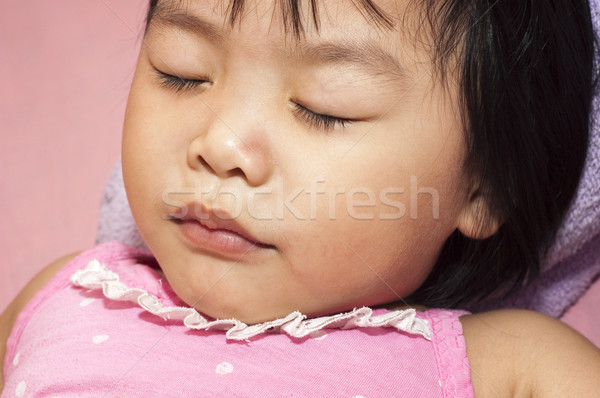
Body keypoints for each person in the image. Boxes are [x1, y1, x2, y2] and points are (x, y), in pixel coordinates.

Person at [2, 0, 600, 396]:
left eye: (324, 108)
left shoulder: (512, 366)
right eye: (181, 71)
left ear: (485, 185)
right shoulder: (68, 294)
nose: (223, 144)